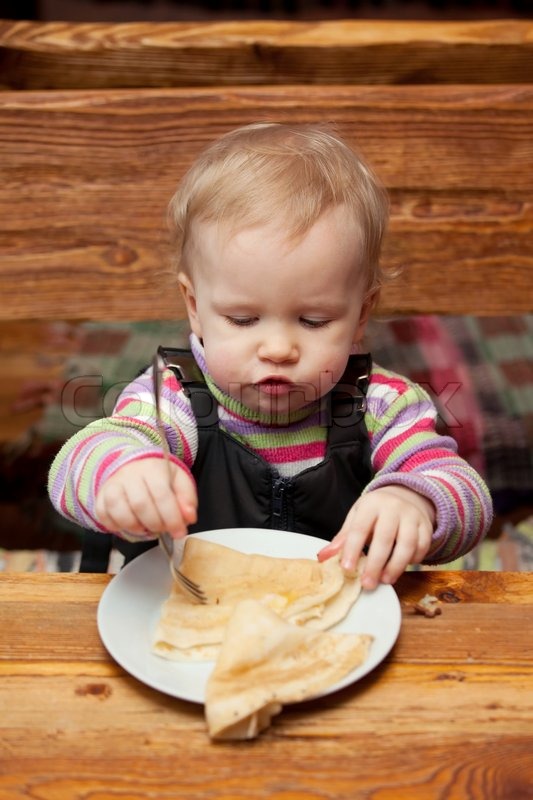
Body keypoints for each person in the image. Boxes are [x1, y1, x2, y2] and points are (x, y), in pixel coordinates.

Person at [48, 122, 492, 589]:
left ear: (361, 315)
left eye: (314, 321)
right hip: (188, 617)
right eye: (242, 320)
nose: (278, 349)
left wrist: (415, 500)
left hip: (332, 623)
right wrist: (123, 474)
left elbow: (467, 496)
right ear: (196, 308)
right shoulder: (172, 398)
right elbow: (76, 463)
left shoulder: (382, 404)